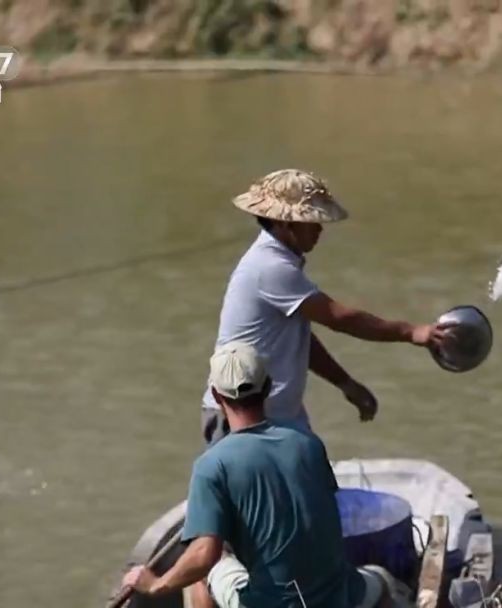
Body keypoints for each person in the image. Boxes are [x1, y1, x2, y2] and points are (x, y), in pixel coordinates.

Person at [124, 341, 397, 608]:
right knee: (382, 579)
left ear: (217, 396)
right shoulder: (308, 442)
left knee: (206, 569)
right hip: (338, 596)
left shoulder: (212, 466)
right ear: (267, 387)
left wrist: (155, 584)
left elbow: (203, 555)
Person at [201, 169, 451, 444]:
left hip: (278, 416)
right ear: (285, 223)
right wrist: (412, 332)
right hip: (240, 418)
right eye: (310, 221)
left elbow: (298, 339)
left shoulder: (282, 262)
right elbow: (340, 318)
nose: (320, 228)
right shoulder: (270, 267)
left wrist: (345, 383)